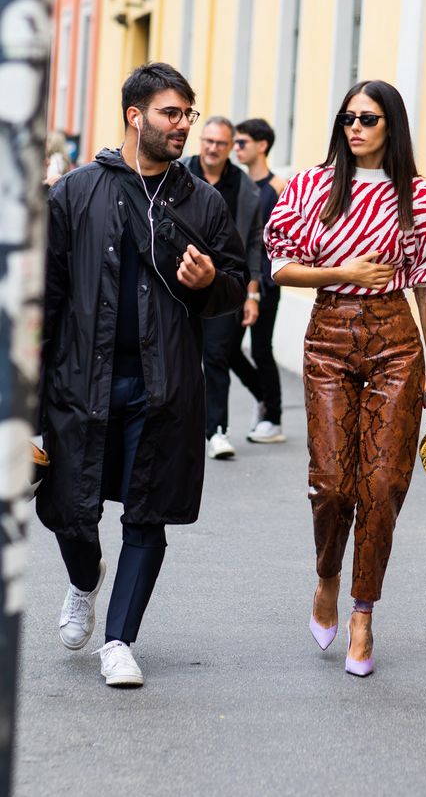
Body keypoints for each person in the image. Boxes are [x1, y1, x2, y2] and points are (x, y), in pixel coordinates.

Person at [36, 63, 248, 688]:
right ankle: (83, 579)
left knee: (146, 514)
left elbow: (233, 283)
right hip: (81, 382)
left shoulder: (200, 201)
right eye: (170, 113)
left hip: (164, 387)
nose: (184, 125)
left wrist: (212, 284)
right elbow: (43, 300)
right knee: (69, 511)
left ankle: (119, 640)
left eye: (188, 113)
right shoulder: (75, 193)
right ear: (135, 116)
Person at [265, 80, 426, 677]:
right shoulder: (311, 186)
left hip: (398, 343)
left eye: (368, 118)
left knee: (382, 483)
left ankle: (364, 614)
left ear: (391, 126)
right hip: (329, 336)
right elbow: (279, 268)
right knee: (331, 481)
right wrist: (342, 270)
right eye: (348, 117)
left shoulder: (421, 199)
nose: (356, 127)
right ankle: (327, 576)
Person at [181, 117, 262, 459]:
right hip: (178, 282)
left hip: (223, 286)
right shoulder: (178, 173)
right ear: (201, 142)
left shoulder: (245, 188)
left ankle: (216, 431)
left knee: (216, 356)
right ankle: (179, 429)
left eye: (221, 143)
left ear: (231, 147)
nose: (213, 148)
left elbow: (255, 244)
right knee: (179, 358)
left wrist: (252, 294)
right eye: (208, 141)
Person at [233, 118, 286, 444]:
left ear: (261, 145)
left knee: (262, 349)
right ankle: (262, 396)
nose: (236, 148)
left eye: (242, 142)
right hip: (236, 281)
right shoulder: (237, 183)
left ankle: (274, 418)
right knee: (223, 350)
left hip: (266, 281)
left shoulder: (279, 187)